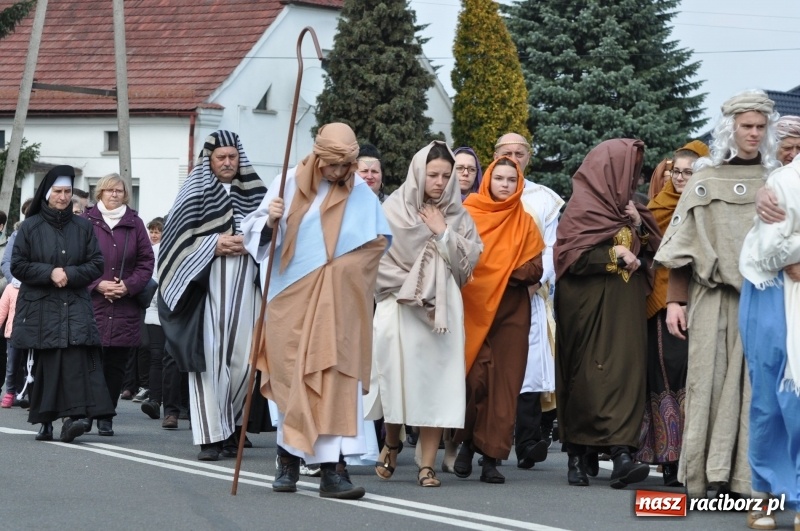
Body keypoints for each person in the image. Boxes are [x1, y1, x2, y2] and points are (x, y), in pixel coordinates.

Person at [244, 123, 391, 499]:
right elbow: (254, 237)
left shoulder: (359, 191)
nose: (341, 174)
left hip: (338, 303)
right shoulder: (286, 184)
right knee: (292, 378)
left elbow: (377, 244)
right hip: (288, 298)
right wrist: (271, 220)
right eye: (334, 166)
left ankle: (332, 472)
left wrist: (342, 270)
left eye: (348, 166)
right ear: (319, 156)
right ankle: (287, 462)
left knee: (333, 381)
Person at [655, 90, 779, 499]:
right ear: (731, 128)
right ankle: (708, 476)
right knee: (706, 383)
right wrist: (676, 301)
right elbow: (681, 245)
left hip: (762, 298)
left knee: (752, 387)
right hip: (709, 297)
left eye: (761, 127)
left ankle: (746, 478)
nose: (754, 134)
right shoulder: (705, 180)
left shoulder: (776, 180)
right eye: (746, 126)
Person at [364, 141, 482, 488]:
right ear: (418, 172)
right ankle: (392, 440)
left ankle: (426, 465)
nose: (440, 182)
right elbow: (376, 262)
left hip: (440, 311)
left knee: (437, 387)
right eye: (433, 174)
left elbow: (467, 266)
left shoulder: (458, 215)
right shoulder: (392, 210)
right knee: (396, 381)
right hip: (398, 306)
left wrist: (442, 232)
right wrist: (415, 285)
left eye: (446, 175)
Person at [554, 138, 661, 488]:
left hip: (626, 309)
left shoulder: (633, 208)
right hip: (587, 309)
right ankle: (578, 454)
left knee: (625, 376)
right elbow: (571, 258)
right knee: (587, 376)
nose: (635, 180)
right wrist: (615, 255)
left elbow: (658, 251)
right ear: (609, 171)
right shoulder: (581, 209)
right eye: (629, 171)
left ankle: (621, 455)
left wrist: (639, 226)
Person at [159, 130, 266, 461]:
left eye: (233, 156)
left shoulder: (257, 192)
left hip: (247, 283)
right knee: (209, 360)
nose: (228, 162)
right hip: (206, 287)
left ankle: (231, 428)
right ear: (210, 159)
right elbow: (175, 241)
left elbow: (274, 235)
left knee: (244, 364)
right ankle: (209, 437)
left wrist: (254, 239)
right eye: (221, 157)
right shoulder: (194, 191)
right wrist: (214, 244)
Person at [454, 156, 544, 484]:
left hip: (511, 313)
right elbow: (459, 257)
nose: (505, 185)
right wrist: (501, 269)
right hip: (473, 309)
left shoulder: (525, 221)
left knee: (504, 387)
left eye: (511, 179)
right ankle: (465, 444)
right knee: (473, 380)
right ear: (487, 179)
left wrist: (505, 270)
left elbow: (536, 268)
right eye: (499, 178)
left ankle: (491, 457)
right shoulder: (469, 213)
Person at [10, 165, 114, 442]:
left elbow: (96, 264)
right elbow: (18, 265)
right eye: (58, 191)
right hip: (41, 305)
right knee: (46, 364)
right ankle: (45, 422)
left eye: (68, 191)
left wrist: (69, 274)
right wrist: (49, 272)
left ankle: (73, 419)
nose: (64, 197)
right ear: (46, 193)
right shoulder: (30, 226)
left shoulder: (83, 226)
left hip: (75, 303)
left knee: (75, 362)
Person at [490, 132, 564, 470]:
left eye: (520, 153)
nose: (514, 158)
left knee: (530, 368)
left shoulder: (544, 198)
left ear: (529, 157)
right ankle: (487, 442)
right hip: (490, 296)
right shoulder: (485, 194)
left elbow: (552, 247)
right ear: (495, 157)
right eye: (507, 153)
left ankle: (529, 441)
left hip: (529, 294)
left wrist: (536, 281)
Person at [636, 141, 707, 487]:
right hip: (663, 301)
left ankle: (696, 457)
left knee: (697, 379)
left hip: (703, 300)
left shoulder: (708, 203)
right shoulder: (657, 206)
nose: (680, 178)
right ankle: (669, 458)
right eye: (675, 172)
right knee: (667, 375)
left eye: (688, 172)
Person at [738, 154, 800, 530]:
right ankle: (769, 495)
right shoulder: (783, 181)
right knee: (771, 400)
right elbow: (769, 249)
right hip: (774, 296)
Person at [83, 174, 154, 436]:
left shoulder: (135, 223)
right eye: (109, 190)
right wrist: (98, 284)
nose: (114, 194)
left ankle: (106, 416)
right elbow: (76, 260)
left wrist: (127, 286)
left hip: (125, 305)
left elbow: (147, 261)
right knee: (91, 362)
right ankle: (88, 413)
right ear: (100, 193)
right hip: (93, 304)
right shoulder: (85, 222)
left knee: (115, 366)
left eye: (119, 191)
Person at [754, 115, 800, 224]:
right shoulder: (758, 175)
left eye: (799, 148)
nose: (794, 154)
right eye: (787, 148)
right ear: (772, 148)